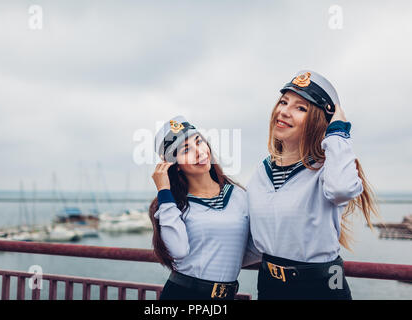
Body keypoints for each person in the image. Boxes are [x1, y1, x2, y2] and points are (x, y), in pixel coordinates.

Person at [246, 70, 379, 300]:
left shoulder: (329, 168)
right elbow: (257, 240)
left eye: (300, 108)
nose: (284, 111)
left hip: (320, 287)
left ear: (318, 121)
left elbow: (341, 189)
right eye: (284, 102)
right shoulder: (262, 171)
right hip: (269, 285)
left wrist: (337, 132)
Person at [149, 115, 260, 300]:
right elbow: (178, 251)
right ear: (174, 166)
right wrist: (163, 190)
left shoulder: (239, 196)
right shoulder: (174, 205)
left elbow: (257, 246)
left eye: (199, 142)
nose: (199, 152)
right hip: (183, 295)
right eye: (186, 150)